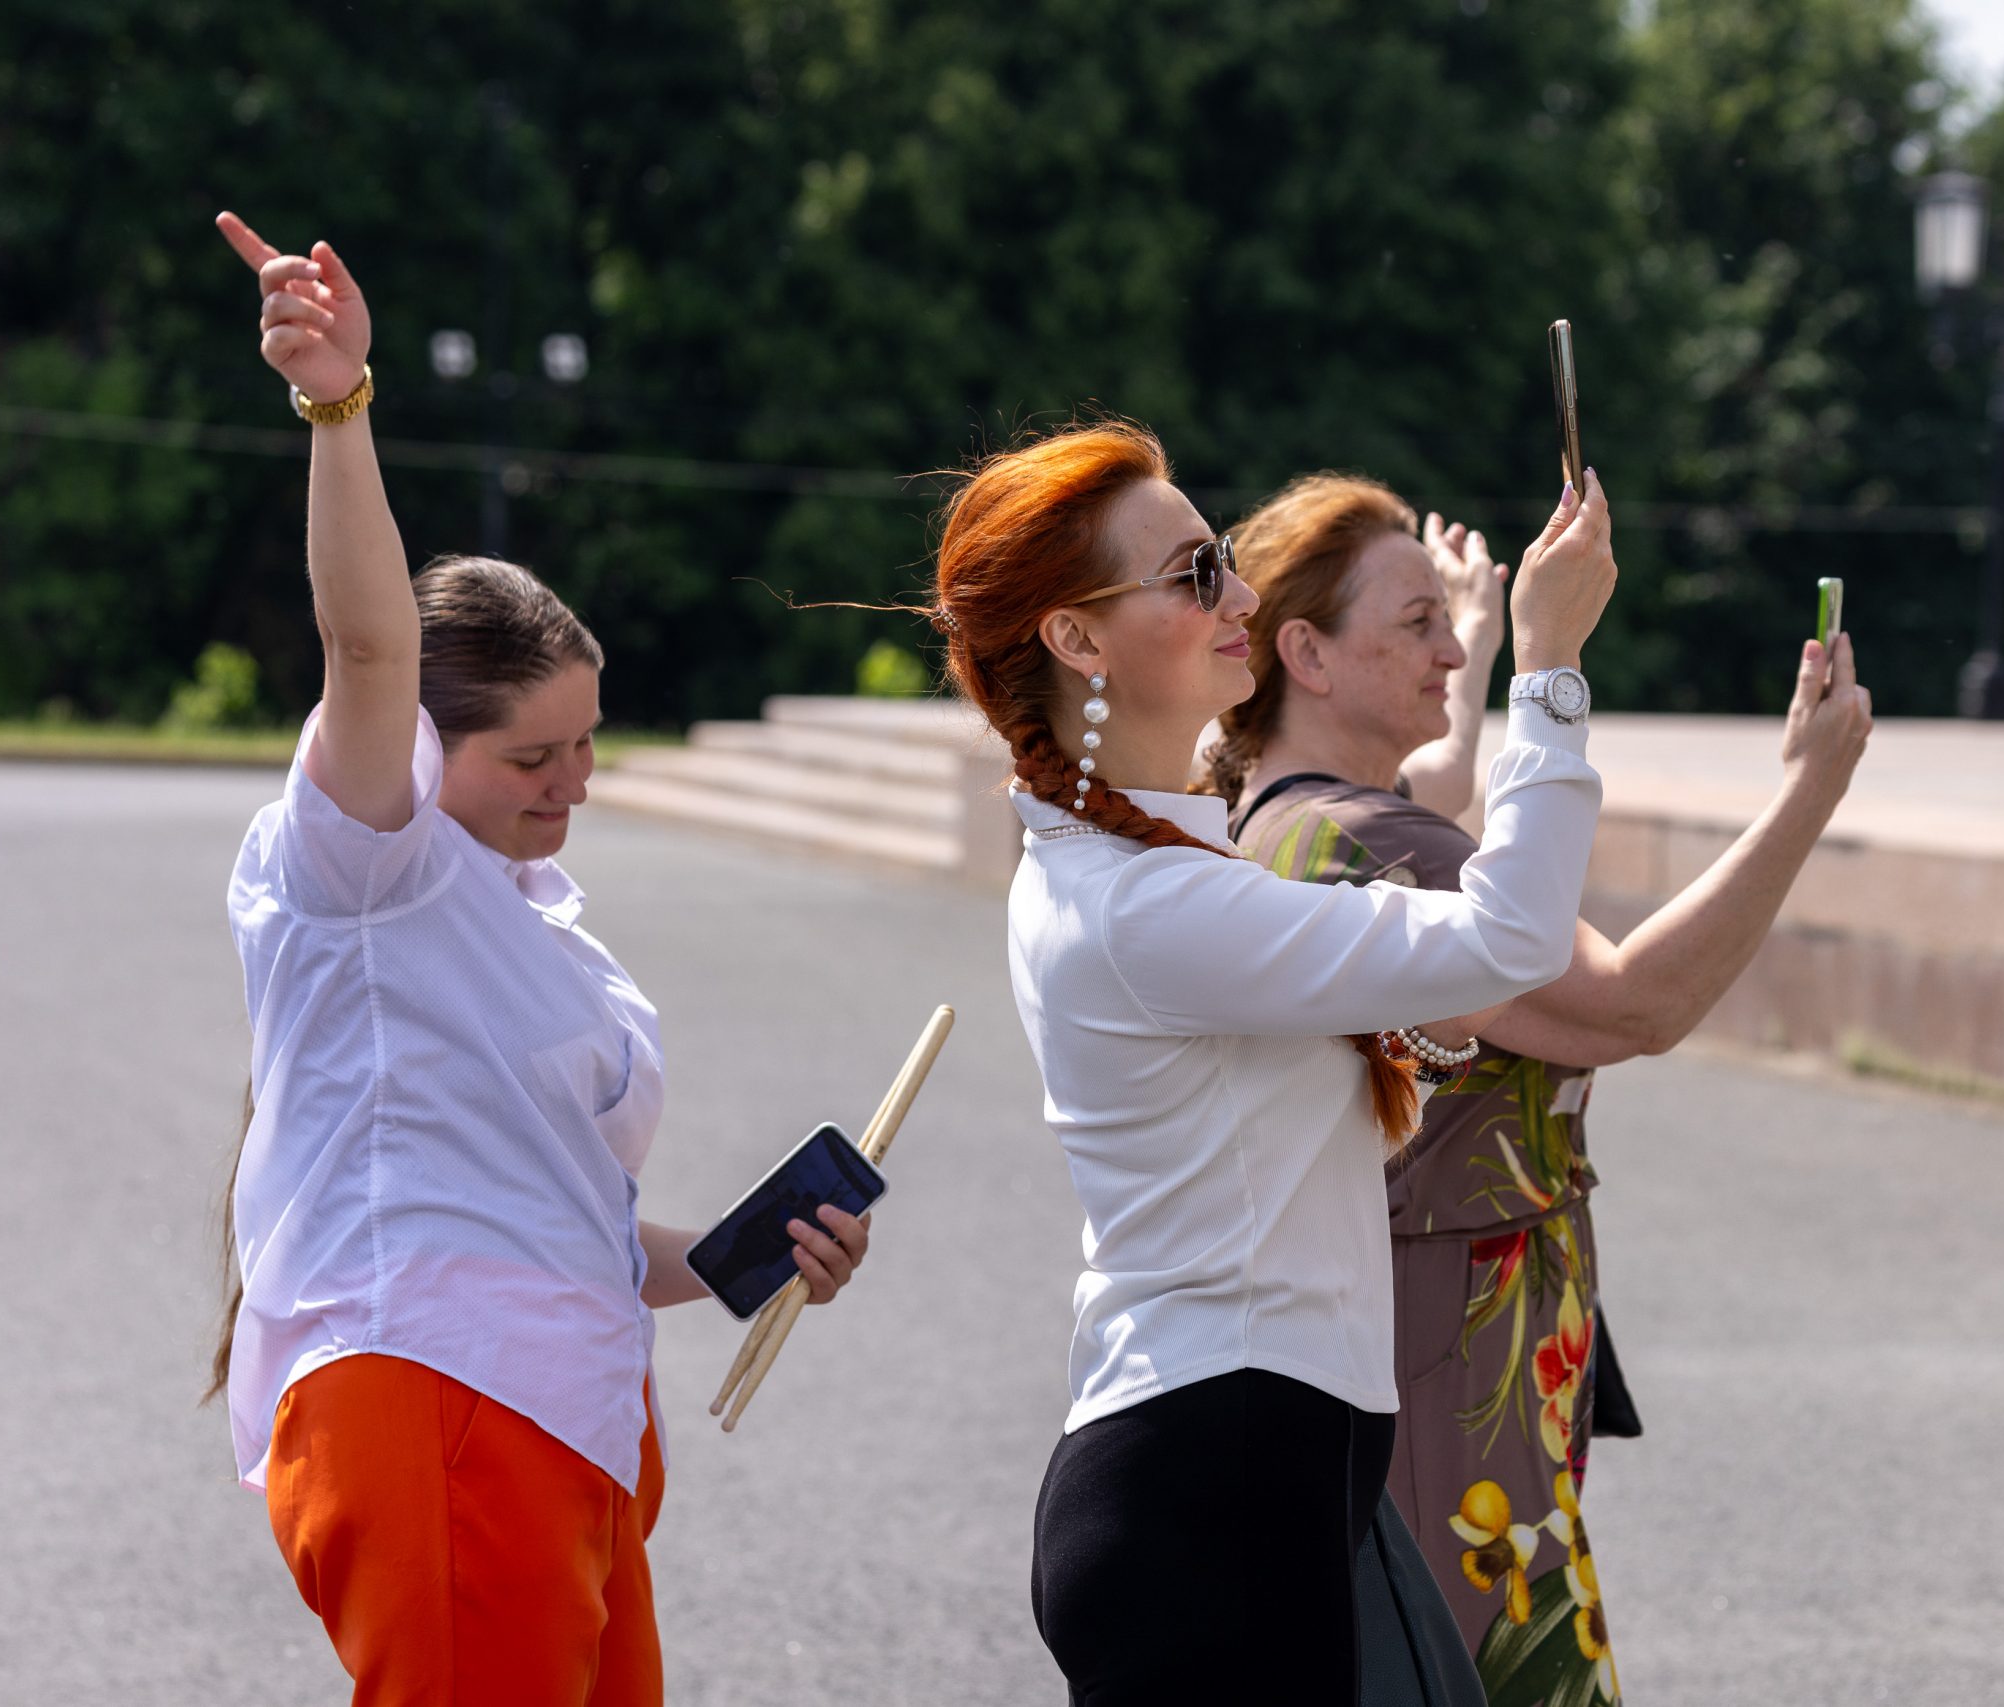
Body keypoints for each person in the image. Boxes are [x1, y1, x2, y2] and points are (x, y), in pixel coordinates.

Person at [203, 212, 873, 1707]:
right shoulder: (362, 861)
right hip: (436, 1402)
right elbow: (368, 645)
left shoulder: (534, 910)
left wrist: (750, 1253)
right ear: (420, 748)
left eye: (589, 741)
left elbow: (564, 1225)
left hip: (566, 1417)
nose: (574, 782)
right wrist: (338, 405)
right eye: (531, 755)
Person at [913, 420, 1617, 1705]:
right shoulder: (1144, 901)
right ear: (1075, 638)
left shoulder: (1143, 865)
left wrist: (1411, 1033)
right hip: (1210, 1484)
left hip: (1236, 1466)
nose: (1240, 597)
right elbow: (1512, 939)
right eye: (1195, 575)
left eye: (1224, 556)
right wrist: (1552, 664)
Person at [1206, 474, 1874, 1704]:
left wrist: (1471, 625)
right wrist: (1809, 789)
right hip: (1448, 1345)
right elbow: (1632, 1005)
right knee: (1490, 1673)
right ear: (1304, 652)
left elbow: (1447, 780)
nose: (1453, 651)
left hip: (1404, 1322)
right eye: (1417, 625)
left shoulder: (1285, 819)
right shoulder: (1373, 845)